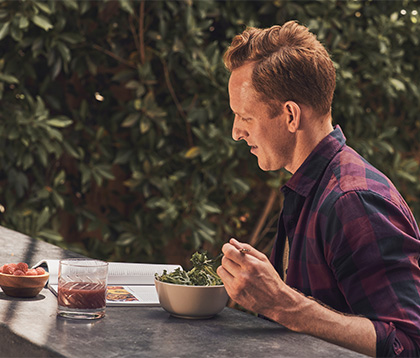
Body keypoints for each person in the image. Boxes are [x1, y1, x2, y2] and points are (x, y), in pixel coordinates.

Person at [216, 21, 420, 357]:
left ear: (291, 116)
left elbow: (409, 345)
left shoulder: (353, 201)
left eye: (245, 117)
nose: (236, 132)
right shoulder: (310, 187)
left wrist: (284, 305)